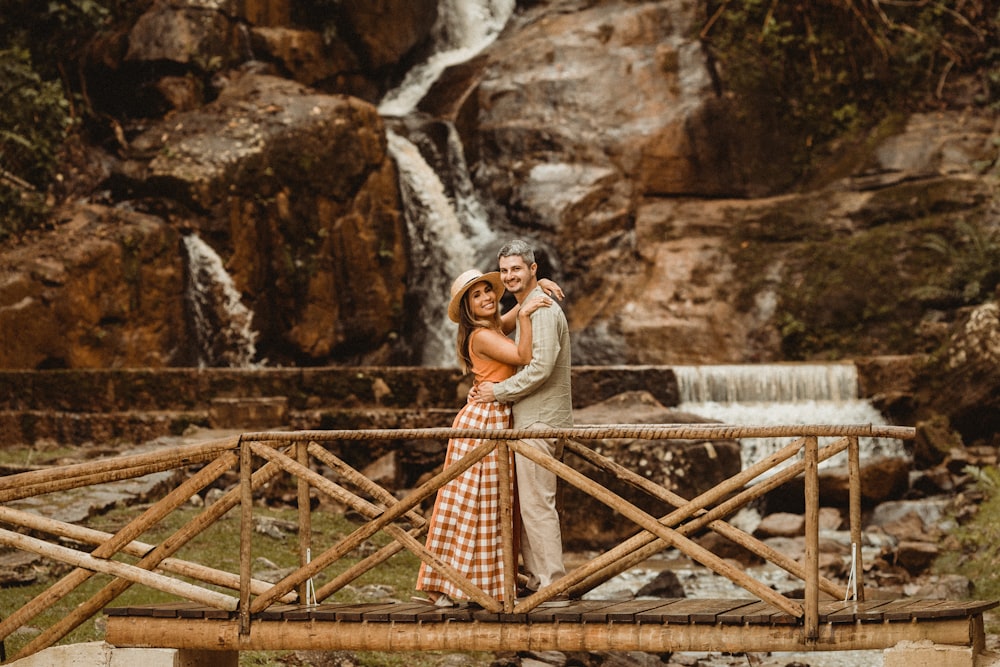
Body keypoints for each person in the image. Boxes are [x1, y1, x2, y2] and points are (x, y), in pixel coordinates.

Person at [414, 268, 553, 607]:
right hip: (485, 422)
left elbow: (508, 321)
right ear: (467, 308)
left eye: (488, 291)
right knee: (472, 503)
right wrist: (530, 313)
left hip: (494, 418)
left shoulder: (491, 328)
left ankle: (478, 584)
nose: (487, 297)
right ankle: (446, 585)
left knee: (490, 505)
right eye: (476, 296)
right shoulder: (480, 336)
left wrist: (535, 289)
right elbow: (522, 357)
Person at [474, 239, 573, 605]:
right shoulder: (530, 306)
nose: (509, 276)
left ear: (533, 269)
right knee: (531, 503)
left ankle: (552, 585)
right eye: (505, 271)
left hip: (539, 422)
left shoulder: (543, 311)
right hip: (533, 421)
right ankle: (537, 580)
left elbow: (541, 368)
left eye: (517, 268)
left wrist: (496, 393)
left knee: (537, 505)